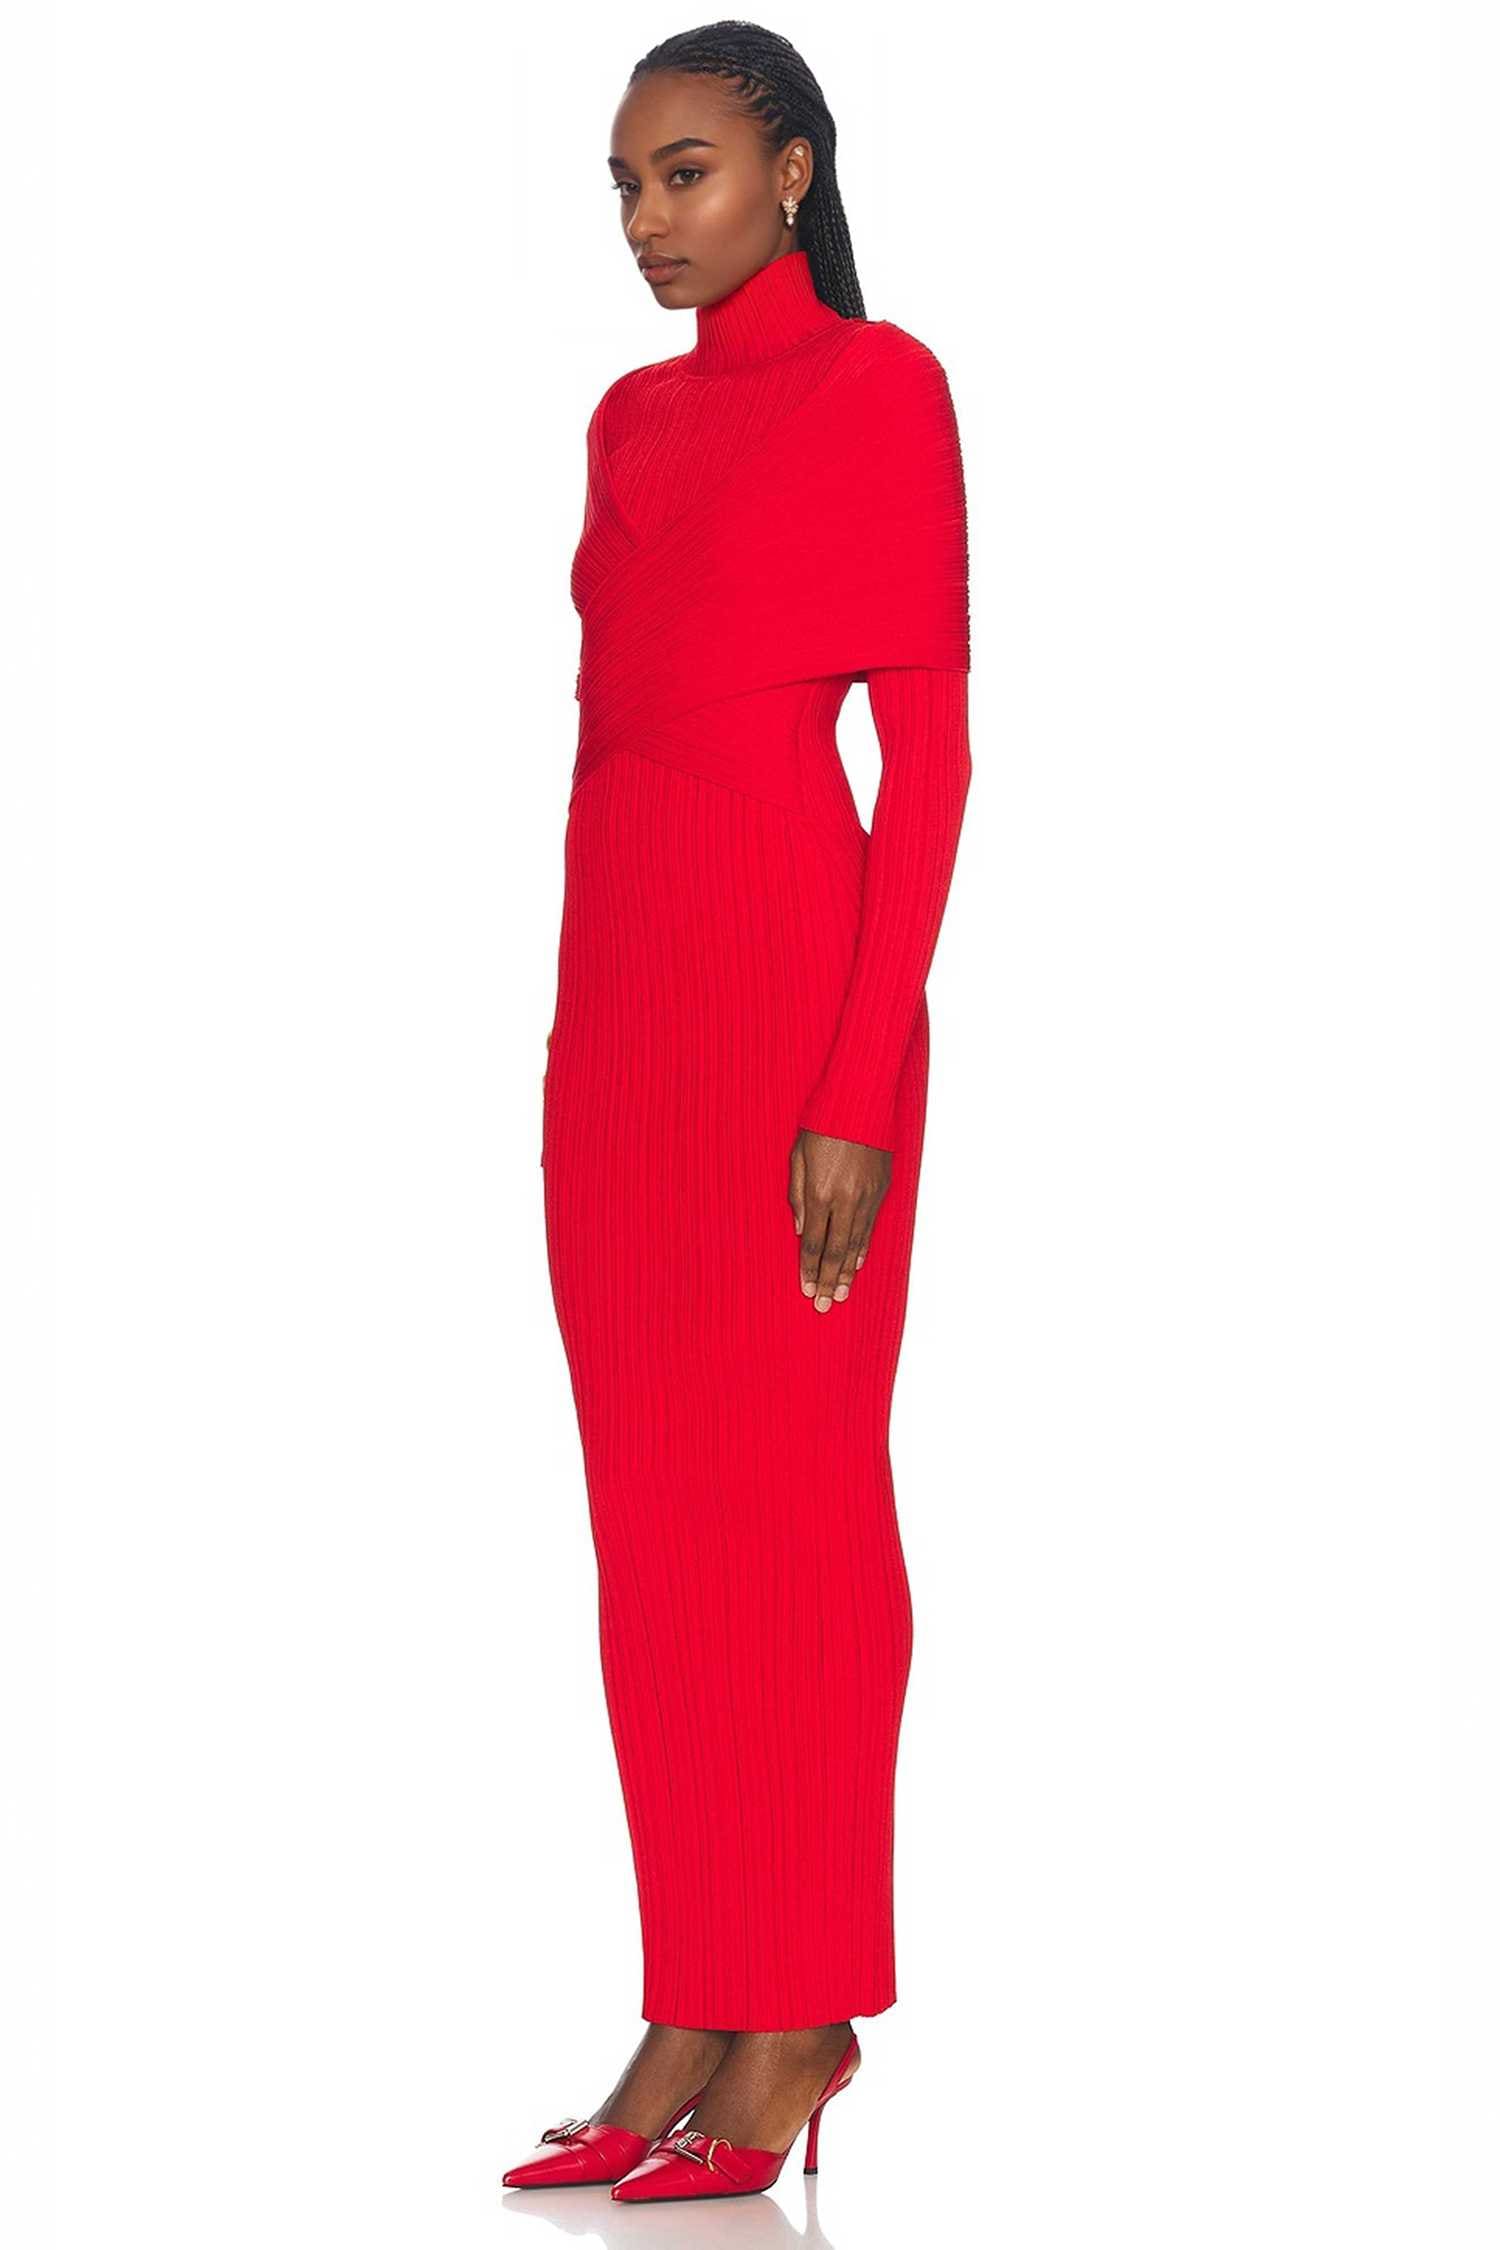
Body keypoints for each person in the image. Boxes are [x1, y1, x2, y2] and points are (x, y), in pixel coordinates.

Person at [505, 21, 972, 2204]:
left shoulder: (884, 391)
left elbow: (929, 766)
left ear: (793, 171)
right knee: (654, 1532)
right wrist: (576, 1049)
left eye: (683, 170)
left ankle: (806, 2008)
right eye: (624, 183)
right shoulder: (627, 420)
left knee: (791, 1514)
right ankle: (697, 1988)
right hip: (618, 1020)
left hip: (794, 1003)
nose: (646, 219)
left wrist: (857, 1079)